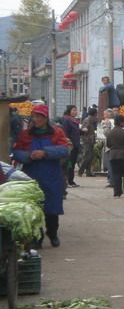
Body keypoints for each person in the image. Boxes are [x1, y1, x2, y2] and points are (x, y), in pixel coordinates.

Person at [12, 104, 70, 248]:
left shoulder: (57, 133)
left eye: (39, 116)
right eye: (34, 116)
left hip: (51, 176)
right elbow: (17, 152)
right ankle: (37, 236)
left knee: (51, 209)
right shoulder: (25, 135)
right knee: (33, 208)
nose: (36, 119)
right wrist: (28, 156)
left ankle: (52, 233)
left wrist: (45, 152)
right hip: (31, 176)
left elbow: (64, 150)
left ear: (45, 118)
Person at [106, 114, 124, 198]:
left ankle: (117, 192)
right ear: (121, 122)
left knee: (116, 174)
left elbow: (108, 144)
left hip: (113, 155)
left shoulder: (110, 132)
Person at [61, 105, 81, 187]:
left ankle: (71, 180)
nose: (75, 112)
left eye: (76, 110)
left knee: (72, 164)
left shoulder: (74, 121)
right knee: (68, 164)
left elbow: (76, 132)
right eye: (73, 110)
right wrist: (68, 143)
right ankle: (67, 181)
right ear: (69, 111)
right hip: (70, 145)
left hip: (75, 145)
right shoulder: (67, 120)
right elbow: (65, 133)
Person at [78, 107, 97, 177]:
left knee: (90, 156)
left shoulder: (91, 120)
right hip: (87, 141)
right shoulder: (87, 120)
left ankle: (88, 172)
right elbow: (83, 131)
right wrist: (87, 139)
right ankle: (81, 171)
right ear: (94, 114)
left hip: (90, 141)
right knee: (86, 157)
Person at [100, 109, 115, 187]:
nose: (104, 116)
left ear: (108, 115)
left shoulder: (108, 122)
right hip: (115, 145)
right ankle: (111, 179)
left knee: (110, 164)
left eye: (105, 114)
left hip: (110, 146)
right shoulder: (115, 122)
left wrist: (106, 126)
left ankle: (111, 181)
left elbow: (106, 134)